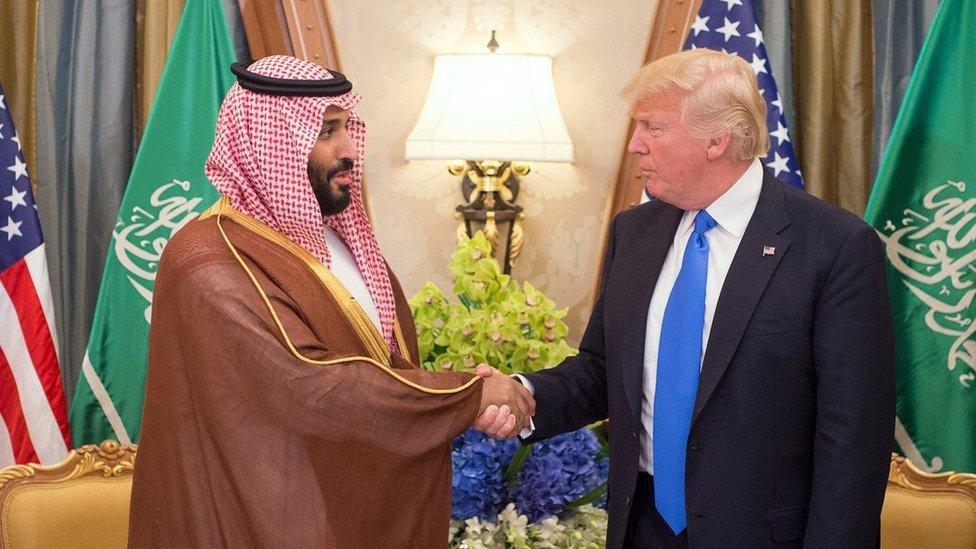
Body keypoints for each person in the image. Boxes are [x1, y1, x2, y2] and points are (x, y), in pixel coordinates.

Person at [479, 48, 895, 548]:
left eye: (652, 128)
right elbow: (602, 370)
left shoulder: (835, 246)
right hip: (643, 527)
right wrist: (523, 395)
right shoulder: (635, 232)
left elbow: (853, 437)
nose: (634, 146)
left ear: (716, 140)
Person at [127, 55, 533, 548]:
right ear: (268, 145)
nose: (348, 150)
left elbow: (386, 364)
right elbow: (311, 384)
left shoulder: (337, 241)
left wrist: (468, 389)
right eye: (325, 131)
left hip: (345, 512)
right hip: (258, 520)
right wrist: (467, 395)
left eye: (346, 127)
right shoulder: (207, 259)